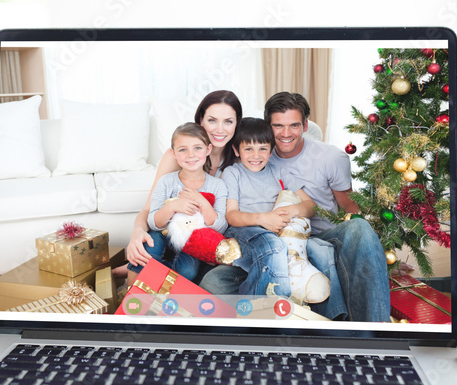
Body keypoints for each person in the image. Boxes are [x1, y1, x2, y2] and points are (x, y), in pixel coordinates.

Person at [201, 92, 389, 323]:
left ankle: (373, 331)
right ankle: (273, 317)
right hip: (267, 243)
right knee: (213, 282)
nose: (286, 133)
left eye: (294, 125)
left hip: (318, 237)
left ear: (305, 125)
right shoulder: (246, 163)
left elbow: (346, 208)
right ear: (268, 128)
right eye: (278, 126)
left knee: (357, 230)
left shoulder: (328, 157)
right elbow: (227, 208)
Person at [126, 90, 241, 277]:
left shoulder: (241, 161)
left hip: (205, 243)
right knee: (148, 251)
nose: (220, 129)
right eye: (212, 120)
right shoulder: (176, 159)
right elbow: (149, 211)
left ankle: (164, 272)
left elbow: (224, 222)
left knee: (193, 271)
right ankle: (137, 286)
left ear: (236, 124)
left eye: (228, 121)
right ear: (201, 121)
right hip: (169, 233)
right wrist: (137, 233)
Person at [222, 118, 336, 300]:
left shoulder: (278, 172)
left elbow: (311, 206)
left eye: (263, 149)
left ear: (271, 149)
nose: (256, 155)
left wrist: (291, 211)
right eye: (248, 149)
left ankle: (333, 318)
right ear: (237, 150)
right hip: (245, 231)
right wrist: (263, 219)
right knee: (274, 246)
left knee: (320, 252)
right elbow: (232, 216)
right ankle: (272, 307)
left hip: (276, 231)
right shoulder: (233, 173)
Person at [146, 123, 229, 281]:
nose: (191, 155)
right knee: (150, 248)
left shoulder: (217, 185)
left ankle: (163, 284)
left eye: (197, 148)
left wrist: (203, 203)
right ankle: (138, 290)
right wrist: (171, 207)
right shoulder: (166, 181)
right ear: (174, 153)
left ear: (208, 150)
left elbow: (221, 226)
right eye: (183, 149)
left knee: (188, 271)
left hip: (192, 241)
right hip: (164, 234)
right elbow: (152, 222)